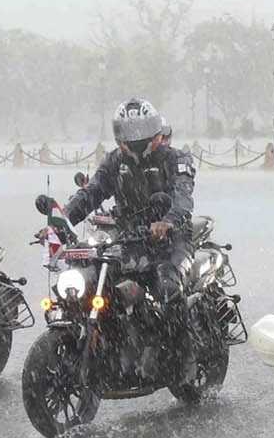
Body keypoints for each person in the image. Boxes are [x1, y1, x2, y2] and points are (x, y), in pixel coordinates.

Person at [63, 98, 197, 380]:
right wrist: (61, 221)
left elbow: (183, 196)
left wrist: (168, 222)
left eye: (141, 131)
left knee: (168, 289)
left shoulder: (175, 159)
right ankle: (116, 347)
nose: (135, 139)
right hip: (128, 240)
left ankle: (183, 359)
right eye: (129, 132)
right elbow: (92, 193)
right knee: (100, 284)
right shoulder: (115, 161)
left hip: (172, 240)